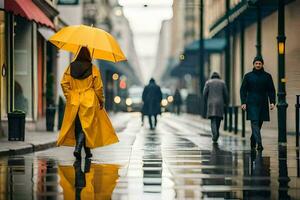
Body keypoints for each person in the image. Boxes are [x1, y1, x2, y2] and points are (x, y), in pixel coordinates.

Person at [57, 47, 119, 160]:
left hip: (74, 101)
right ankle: (78, 148)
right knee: (86, 127)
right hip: (89, 101)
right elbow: (98, 87)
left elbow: (64, 83)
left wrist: (69, 96)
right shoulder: (93, 68)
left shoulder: (70, 67)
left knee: (78, 126)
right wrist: (101, 100)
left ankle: (87, 151)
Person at [240, 55, 276, 151]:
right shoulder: (248, 76)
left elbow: (271, 90)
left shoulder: (267, 76)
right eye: (256, 63)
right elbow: (243, 90)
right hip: (251, 103)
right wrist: (243, 102)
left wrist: (272, 102)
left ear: (262, 64)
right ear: (253, 64)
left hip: (263, 103)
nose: (258, 65)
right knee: (254, 122)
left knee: (259, 123)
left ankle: (253, 139)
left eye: (259, 63)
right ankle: (259, 144)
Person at [203, 72, 228, 143]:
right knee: (218, 119)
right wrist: (226, 102)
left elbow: (204, 93)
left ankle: (215, 134)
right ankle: (216, 133)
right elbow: (226, 94)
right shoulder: (222, 83)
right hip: (220, 103)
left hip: (211, 103)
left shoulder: (208, 82)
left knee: (213, 119)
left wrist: (206, 101)